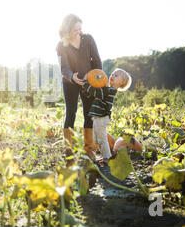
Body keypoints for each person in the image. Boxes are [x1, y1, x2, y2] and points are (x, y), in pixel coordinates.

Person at [56, 14, 102, 165]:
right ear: (68, 30)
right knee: (71, 113)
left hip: (88, 82)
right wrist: (72, 77)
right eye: (75, 30)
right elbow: (64, 68)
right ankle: (69, 151)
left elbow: (97, 61)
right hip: (70, 82)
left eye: (80, 29)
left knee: (89, 113)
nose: (79, 32)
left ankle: (89, 150)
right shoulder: (62, 45)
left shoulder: (88, 40)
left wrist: (94, 77)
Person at [79, 68, 132, 166]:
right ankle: (104, 154)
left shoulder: (111, 90)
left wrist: (85, 83)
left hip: (101, 118)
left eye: (116, 76)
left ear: (121, 82)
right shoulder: (107, 88)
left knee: (102, 140)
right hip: (98, 118)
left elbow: (96, 92)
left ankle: (107, 158)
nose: (112, 76)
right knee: (95, 139)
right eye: (112, 74)